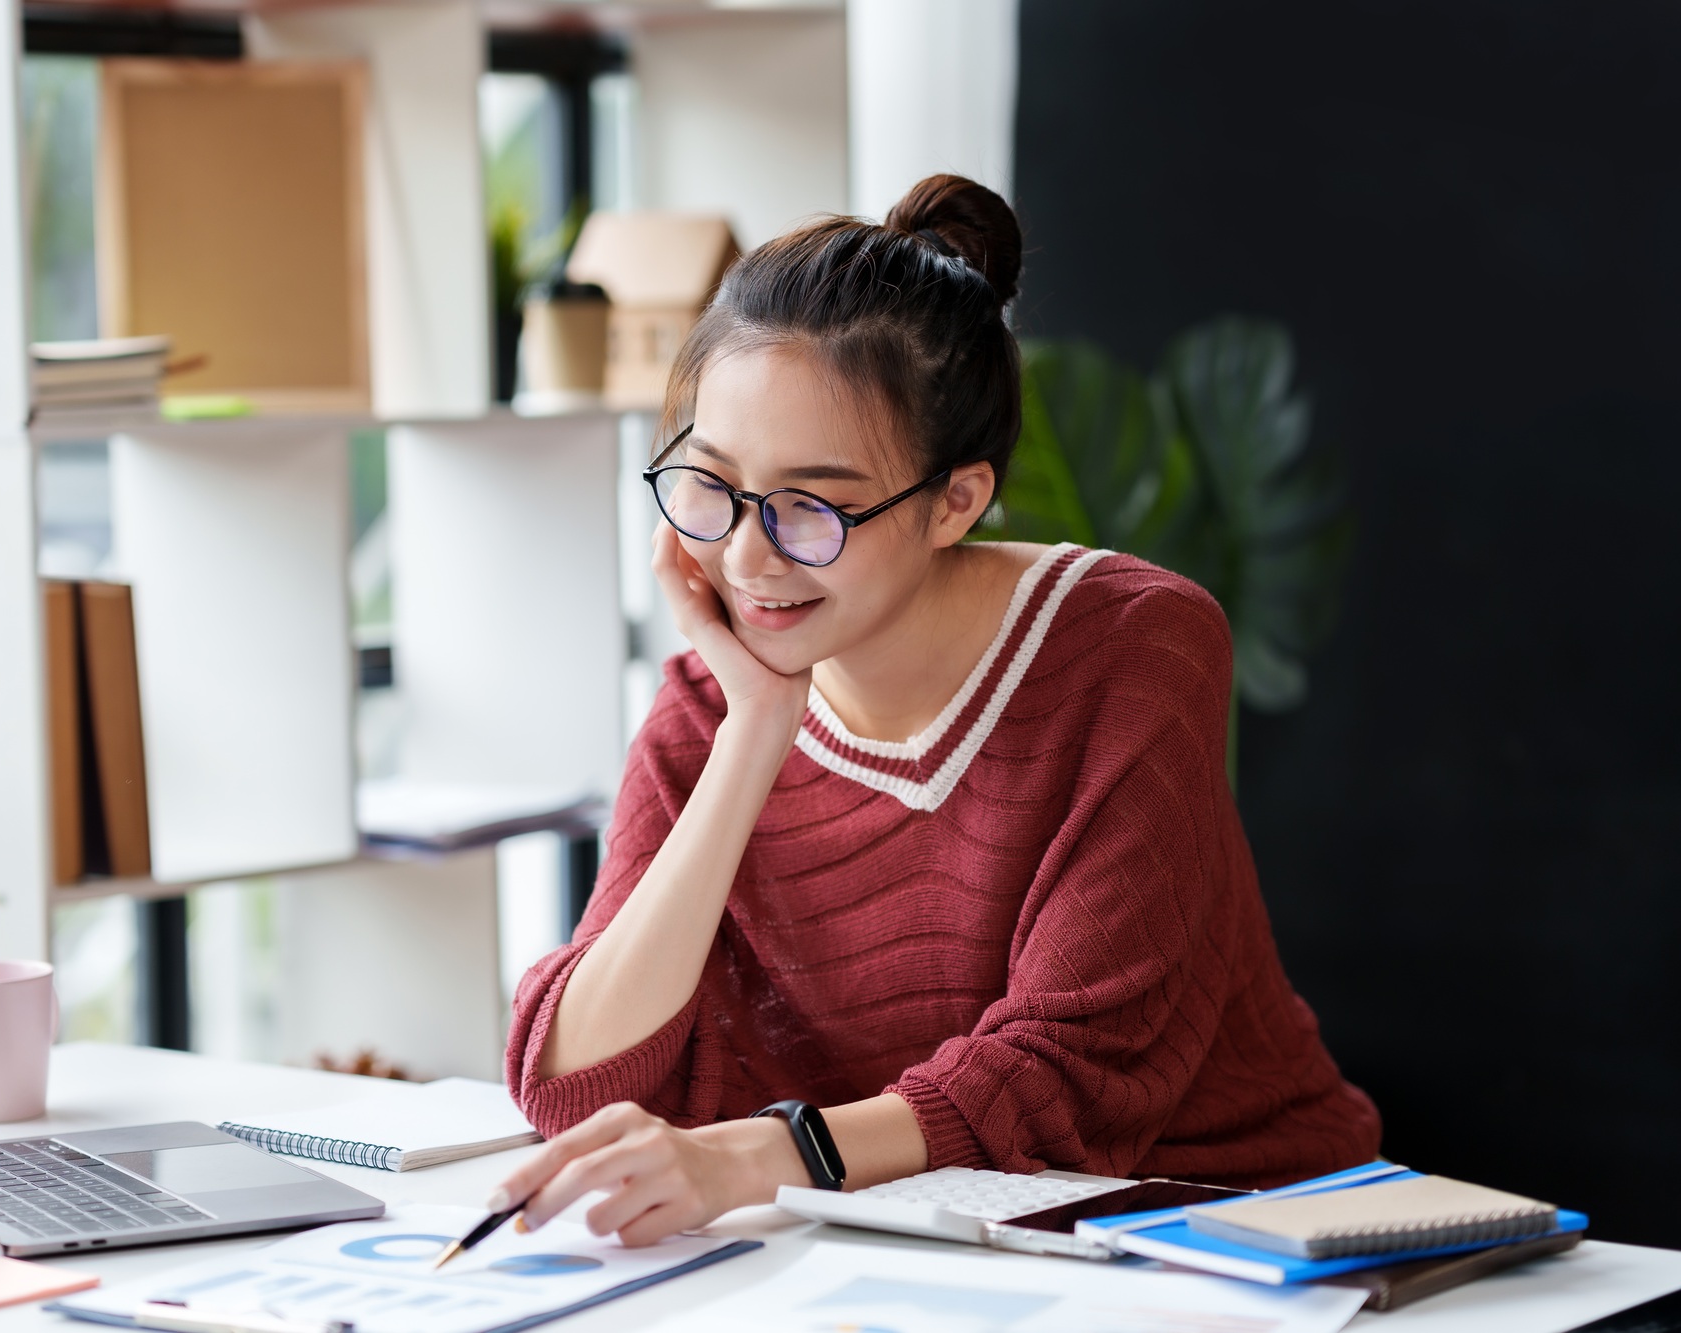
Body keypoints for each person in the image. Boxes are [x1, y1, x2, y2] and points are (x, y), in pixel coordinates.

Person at [491, 175, 1381, 1247]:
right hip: (914, 1250)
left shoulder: (1130, 646)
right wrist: (755, 736)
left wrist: (763, 1153)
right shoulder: (717, 699)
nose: (742, 555)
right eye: (710, 483)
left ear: (956, 499)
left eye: (810, 506)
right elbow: (570, 1085)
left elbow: (1071, 1073)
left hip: (1231, 1233)